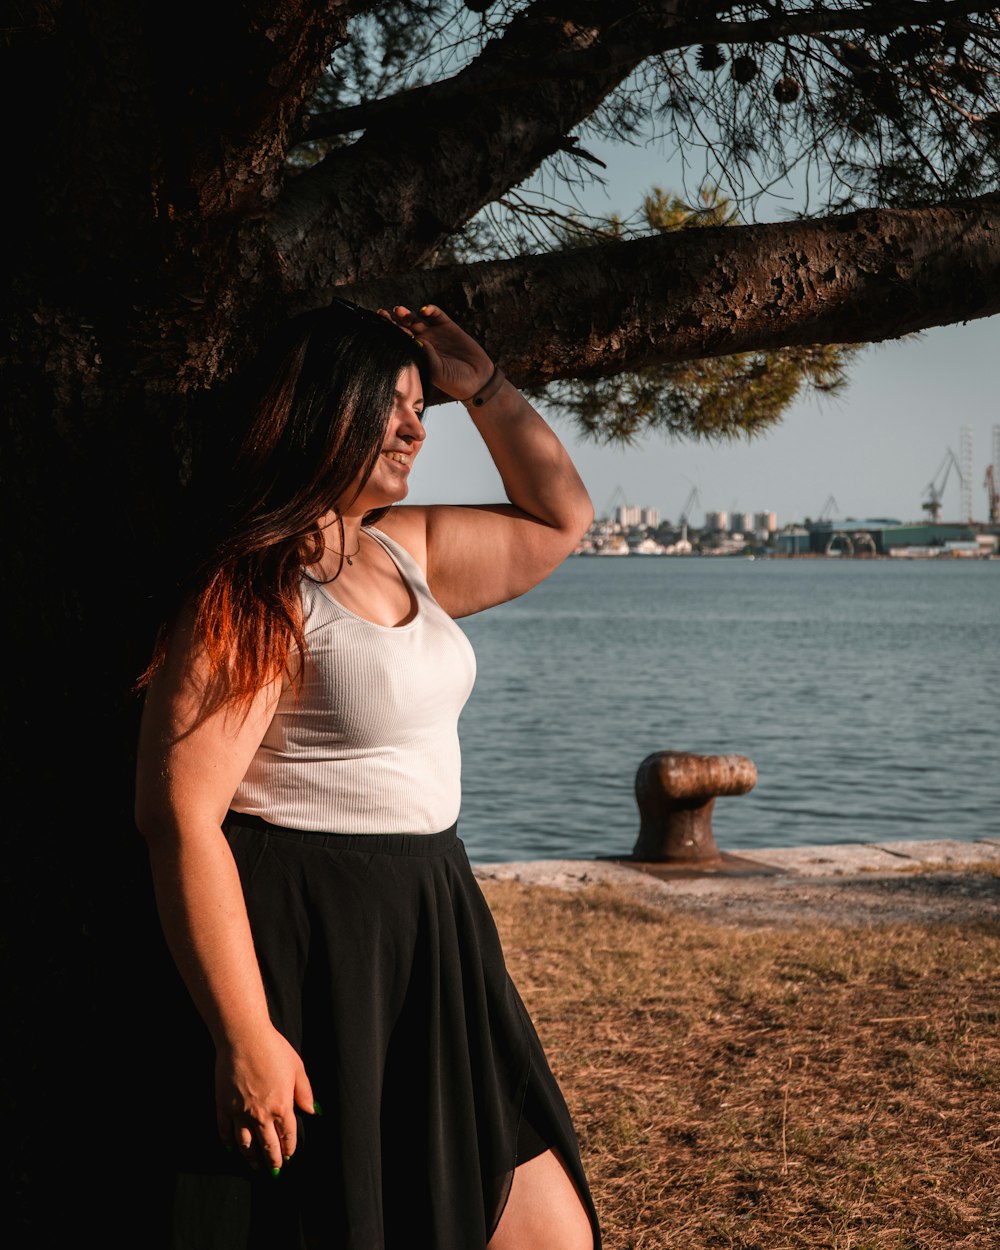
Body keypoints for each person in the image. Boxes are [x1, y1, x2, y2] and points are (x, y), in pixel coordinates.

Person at [133, 298, 600, 1249]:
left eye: (420, 404)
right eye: (390, 404)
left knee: (548, 1229)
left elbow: (561, 518)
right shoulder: (251, 586)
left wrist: (485, 387)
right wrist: (243, 1033)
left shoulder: (401, 543)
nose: (414, 425)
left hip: (437, 925)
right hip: (314, 939)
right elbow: (178, 817)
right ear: (323, 410)